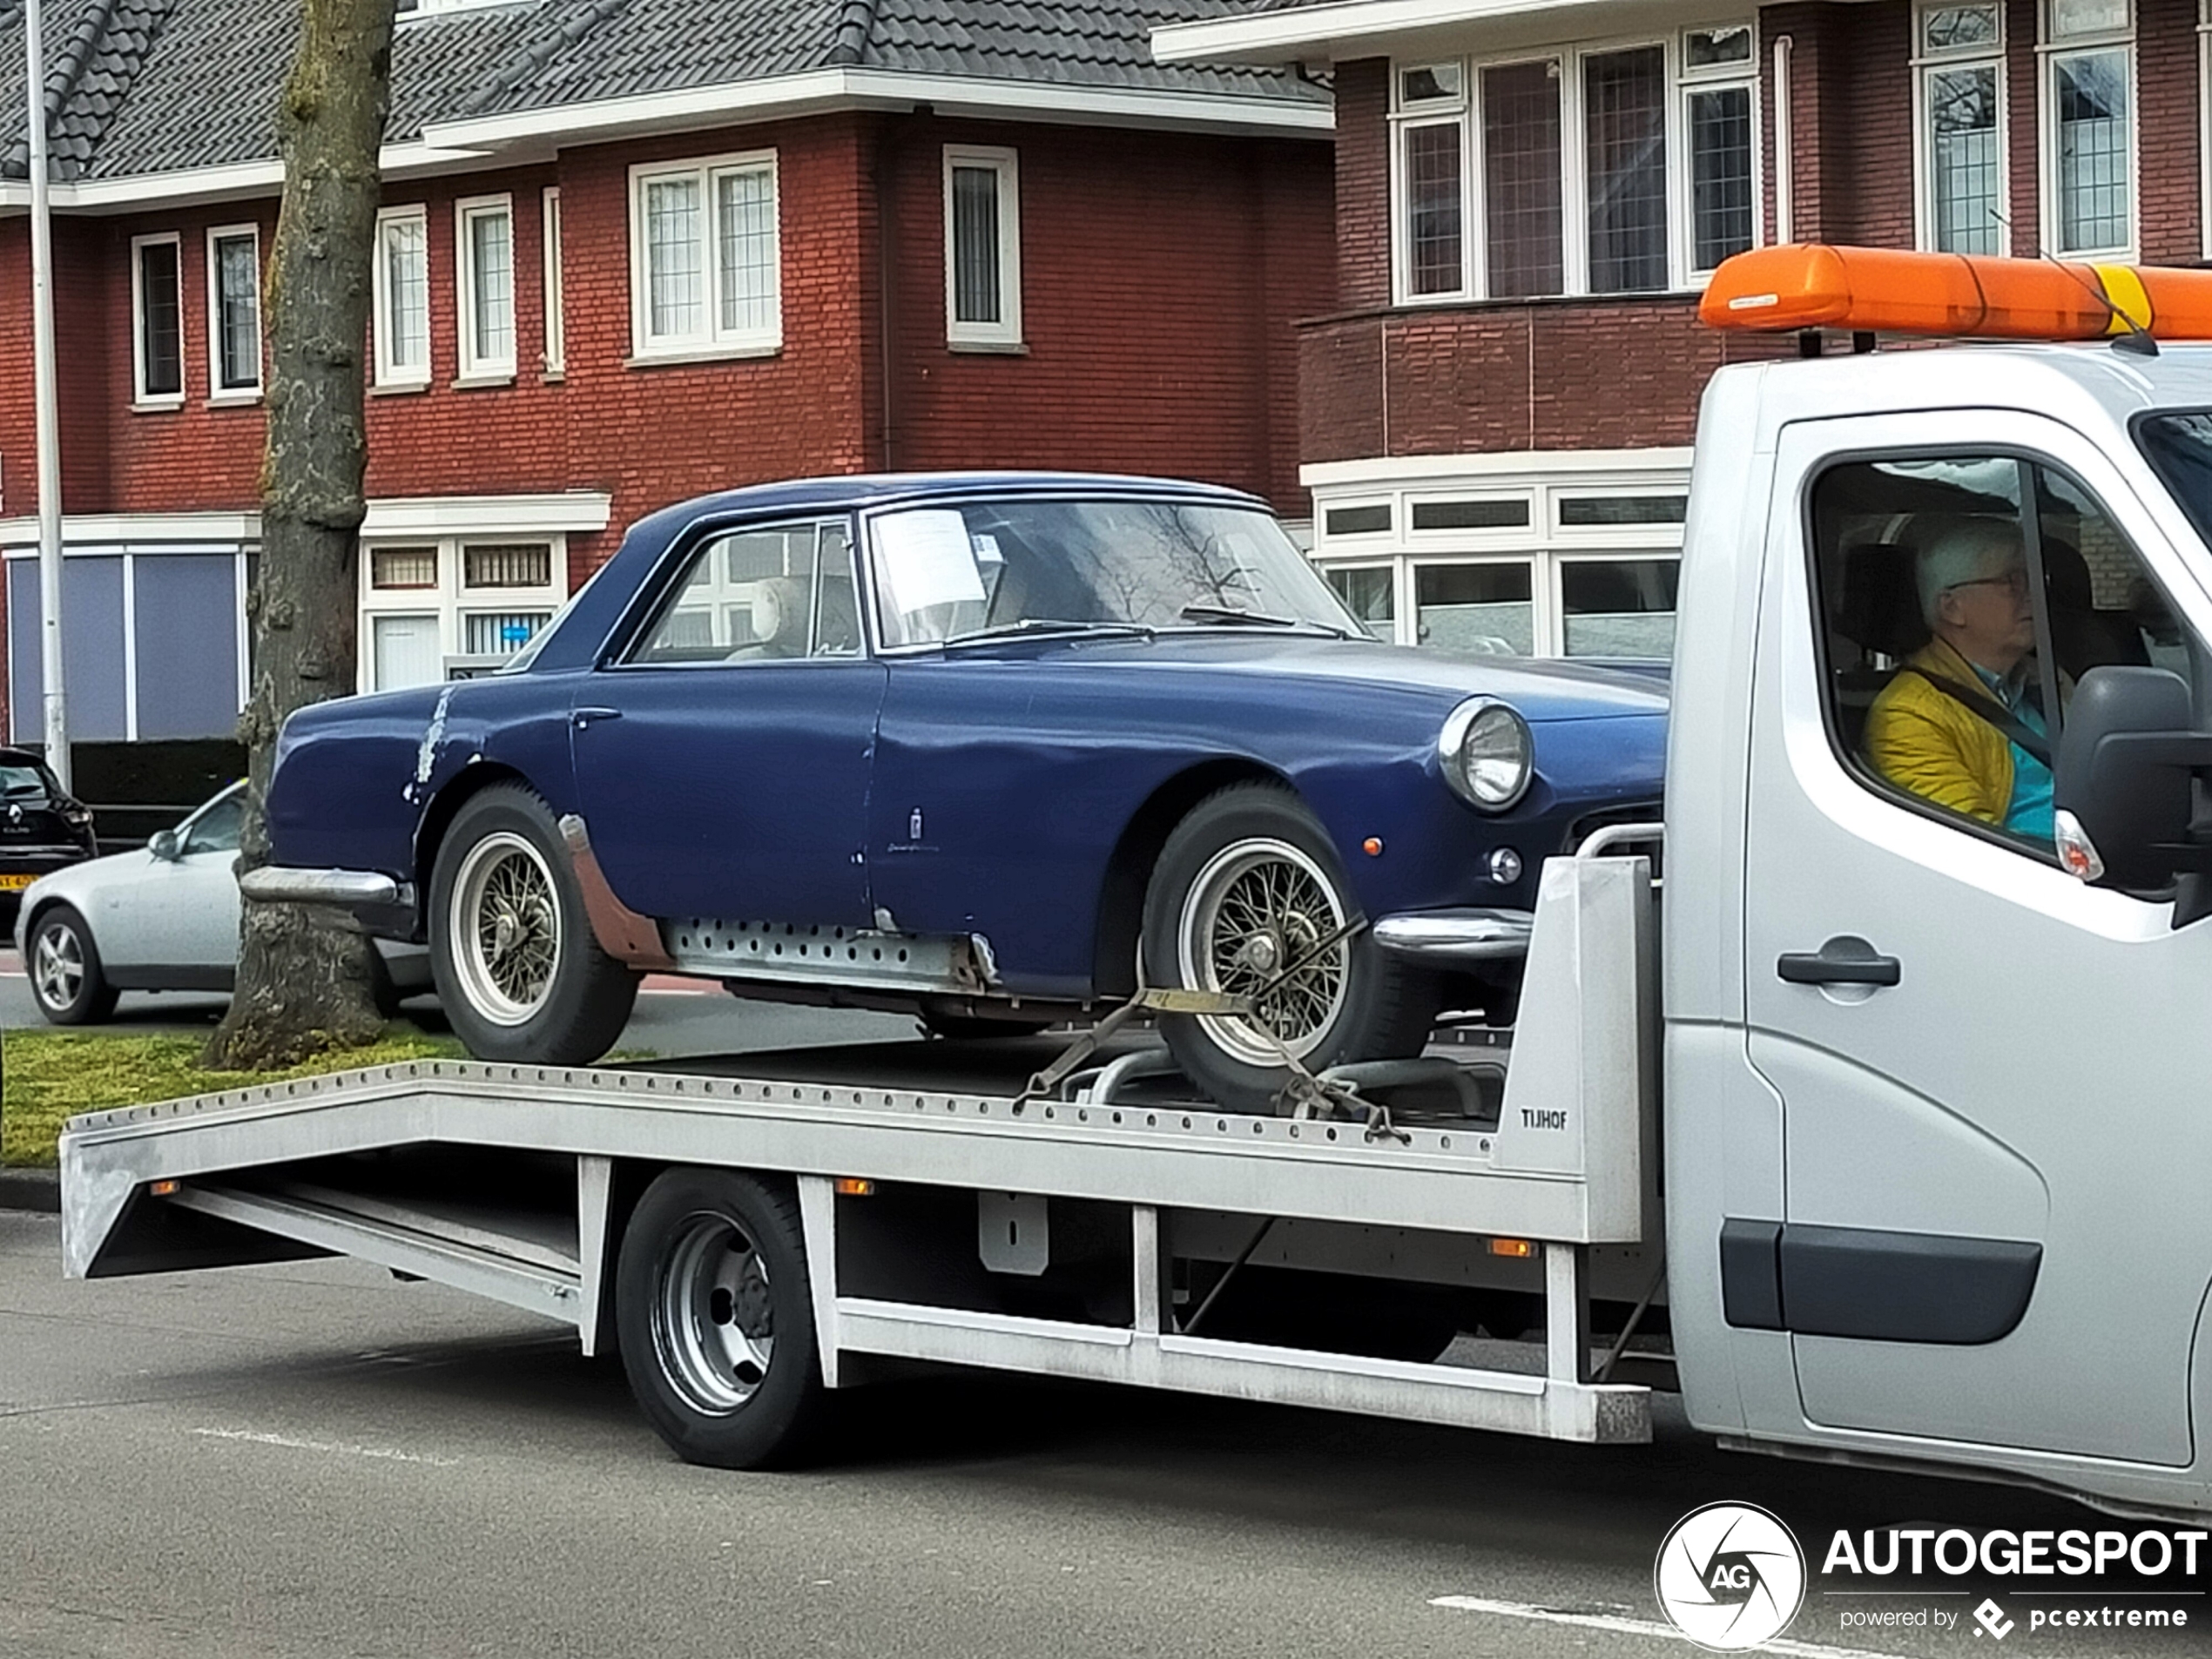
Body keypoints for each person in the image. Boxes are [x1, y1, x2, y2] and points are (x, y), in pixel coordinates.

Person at [1864, 519, 2056, 841]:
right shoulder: (1908, 716)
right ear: (1953, 608)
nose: (2033, 593)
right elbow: (1975, 849)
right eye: (2012, 581)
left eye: (2035, 578)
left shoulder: (2044, 680)